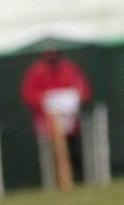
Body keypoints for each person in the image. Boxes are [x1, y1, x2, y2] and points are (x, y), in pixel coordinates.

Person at [21, 48, 92, 182]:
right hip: (48, 125)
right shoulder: (35, 72)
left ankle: (79, 180)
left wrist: (71, 100)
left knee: (75, 153)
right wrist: (48, 99)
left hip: (72, 123)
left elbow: (83, 89)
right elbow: (29, 95)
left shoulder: (69, 68)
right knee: (54, 156)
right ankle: (59, 181)